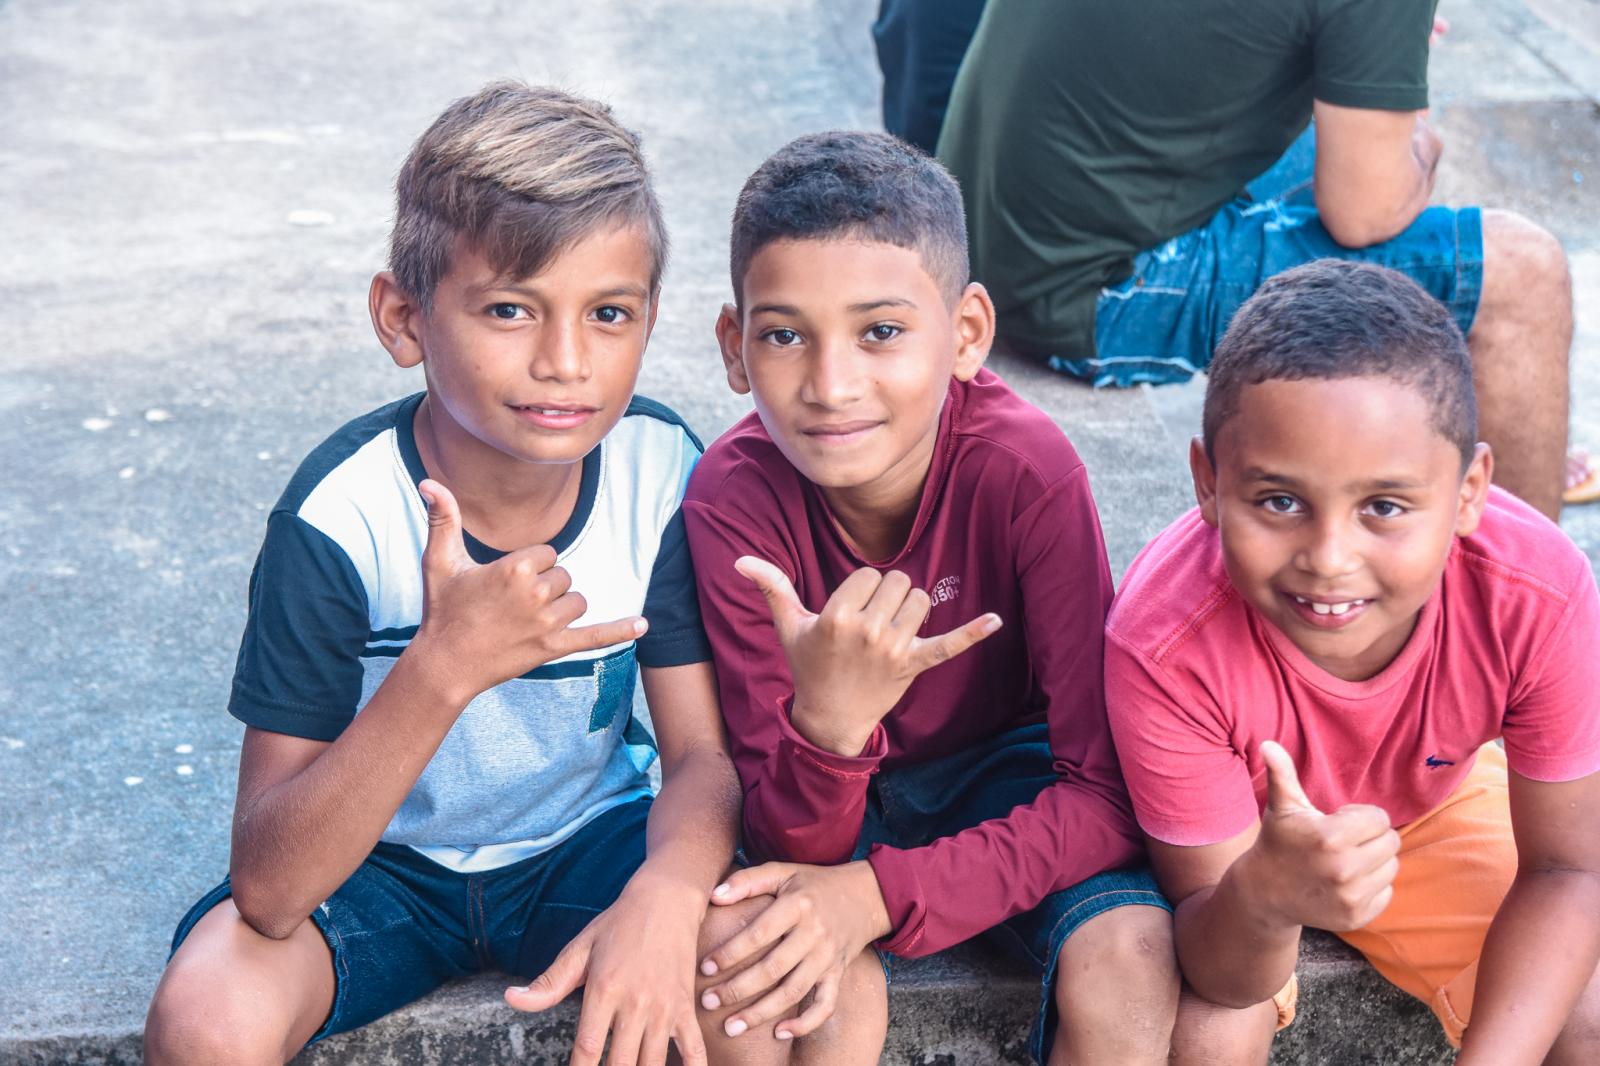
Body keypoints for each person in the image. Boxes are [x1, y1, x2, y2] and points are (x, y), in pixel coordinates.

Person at [142, 81, 741, 1066]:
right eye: (509, 308)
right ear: (403, 318)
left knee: (738, 971)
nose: (564, 360)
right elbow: (271, 885)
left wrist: (667, 896)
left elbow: (702, 758)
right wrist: (442, 668)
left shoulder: (662, 471)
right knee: (208, 1016)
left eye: (607, 313)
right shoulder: (338, 517)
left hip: (586, 844)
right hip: (374, 866)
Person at [681, 130, 1240, 1066]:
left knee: (1133, 958)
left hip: (1011, 784)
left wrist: (879, 896)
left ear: (968, 335)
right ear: (735, 348)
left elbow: (1104, 795)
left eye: (882, 332)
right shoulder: (732, 503)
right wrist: (831, 724)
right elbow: (785, 833)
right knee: (751, 980)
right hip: (823, 803)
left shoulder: (1026, 473)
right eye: (784, 335)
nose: (830, 384)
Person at [1106, 259, 1600, 1063]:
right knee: (1205, 1035)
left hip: (1430, 809)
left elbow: (1569, 871)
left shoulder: (1537, 592)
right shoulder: (1165, 642)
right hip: (1243, 852)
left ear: (1470, 490)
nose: (1330, 559)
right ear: (1208, 482)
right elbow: (1217, 958)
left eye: (1384, 507)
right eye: (1279, 501)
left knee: (1585, 1017)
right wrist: (1267, 897)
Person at [925, 0, 1572, 520]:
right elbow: (1365, 212)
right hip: (1083, 292)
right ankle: (1531, 615)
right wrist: (1418, 140)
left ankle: (1476, 427)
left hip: (984, 222)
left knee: (1348, 129)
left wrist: (1370, 53)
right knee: (1522, 269)